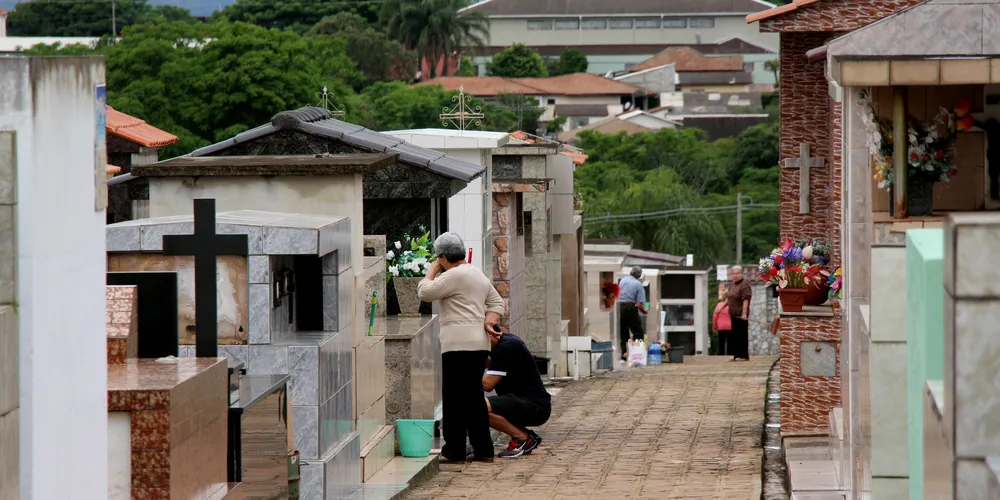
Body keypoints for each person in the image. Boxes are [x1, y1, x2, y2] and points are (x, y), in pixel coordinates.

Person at [417, 232, 506, 463]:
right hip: (478, 344)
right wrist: (488, 320)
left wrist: (431, 272)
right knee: (473, 397)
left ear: (443, 257)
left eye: (439, 258)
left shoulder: (453, 275)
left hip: (458, 344)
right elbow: (497, 302)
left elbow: (425, 292)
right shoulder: (476, 273)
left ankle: (455, 449)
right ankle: (483, 449)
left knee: (455, 398)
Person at [482, 327, 552, 458]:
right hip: (522, 401)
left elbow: (487, 385)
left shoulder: (506, 347)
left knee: (476, 407)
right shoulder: (505, 342)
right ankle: (526, 437)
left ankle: (522, 438)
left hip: (533, 405)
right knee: (473, 408)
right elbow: (492, 364)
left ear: (493, 334)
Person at [617, 266, 647, 361]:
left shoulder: (622, 281)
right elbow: (638, 304)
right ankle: (636, 354)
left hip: (619, 307)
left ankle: (624, 355)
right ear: (639, 275)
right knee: (638, 332)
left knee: (623, 333)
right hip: (630, 308)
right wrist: (644, 311)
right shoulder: (638, 284)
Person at [727, 266, 752, 361]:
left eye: (737, 273)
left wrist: (744, 313)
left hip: (741, 314)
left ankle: (744, 355)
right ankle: (736, 355)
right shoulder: (732, 284)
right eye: (733, 273)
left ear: (741, 274)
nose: (735, 275)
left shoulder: (744, 285)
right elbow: (729, 298)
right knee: (735, 335)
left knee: (742, 334)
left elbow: (745, 299)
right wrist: (720, 308)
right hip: (733, 314)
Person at [713, 285, 732, 356]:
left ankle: (721, 355)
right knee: (730, 342)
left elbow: (715, 316)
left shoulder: (719, 305)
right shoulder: (732, 305)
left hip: (721, 327)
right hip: (730, 327)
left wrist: (714, 327)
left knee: (721, 342)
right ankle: (730, 354)